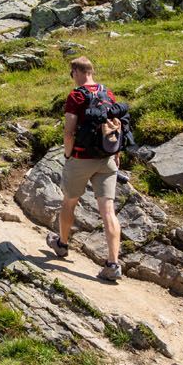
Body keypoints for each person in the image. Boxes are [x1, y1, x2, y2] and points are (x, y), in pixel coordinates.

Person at [47, 56, 124, 282]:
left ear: (77, 72)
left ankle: (62, 244)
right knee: (108, 211)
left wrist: (68, 154)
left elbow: (69, 131)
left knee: (69, 202)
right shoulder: (107, 93)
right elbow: (115, 125)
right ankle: (113, 263)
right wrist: (116, 153)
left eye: (72, 74)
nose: (72, 78)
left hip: (81, 157)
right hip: (107, 157)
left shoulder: (76, 95)